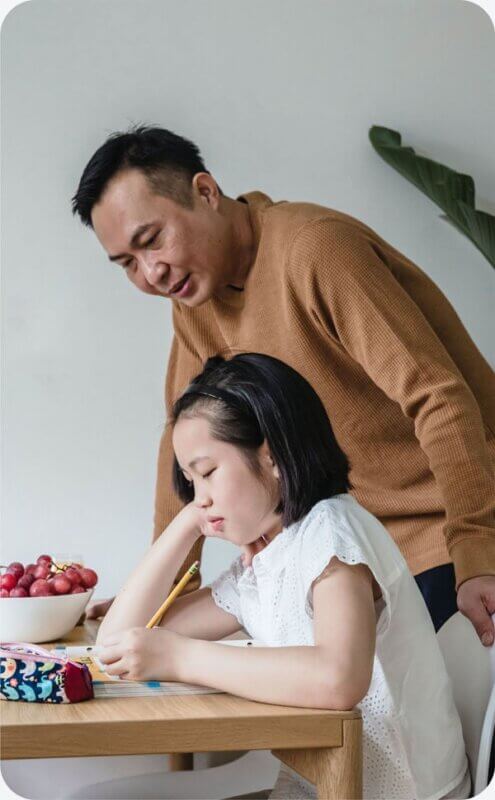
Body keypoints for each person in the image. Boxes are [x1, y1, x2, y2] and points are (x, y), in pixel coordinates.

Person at [72, 125, 495, 643]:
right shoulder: (195, 302)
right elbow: (180, 444)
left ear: (205, 191)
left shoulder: (317, 249)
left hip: (437, 534)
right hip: (342, 551)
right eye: (127, 264)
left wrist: (477, 550)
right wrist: (164, 592)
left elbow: (438, 397)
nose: (151, 273)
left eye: (152, 240)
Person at [96, 353, 471, 800]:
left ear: (272, 456)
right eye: (191, 482)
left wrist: (180, 657)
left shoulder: (331, 531)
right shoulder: (265, 559)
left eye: (208, 473)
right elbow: (114, 644)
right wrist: (186, 524)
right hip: (325, 784)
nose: (201, 498)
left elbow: (338, 678)